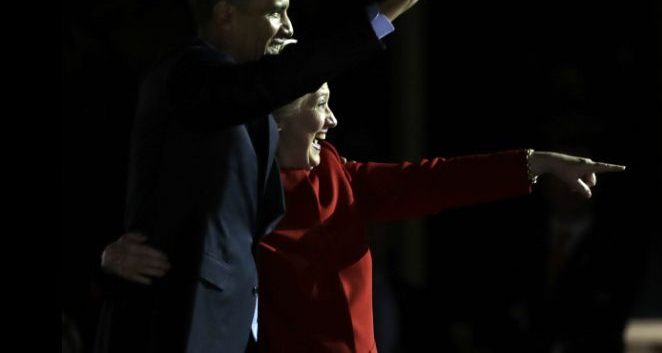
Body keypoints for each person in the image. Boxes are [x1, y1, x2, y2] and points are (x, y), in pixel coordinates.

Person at [94, 0, 444, 353]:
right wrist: (399, 3)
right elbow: (106, 172)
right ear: (225, 16)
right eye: (276, 12)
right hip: (176, 326)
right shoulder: (187, 78)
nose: (288, 27)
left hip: (231, 331)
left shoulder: (249, 108)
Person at [105, 81, 625, 352]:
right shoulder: (233, 193)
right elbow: (173, 255)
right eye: (321, 103)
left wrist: (535, 162)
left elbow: (436, 179)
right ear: (276, 120)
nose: (333, 119)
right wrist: (108, 254)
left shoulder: (340, 175)